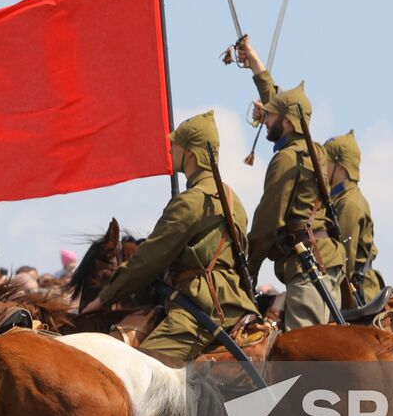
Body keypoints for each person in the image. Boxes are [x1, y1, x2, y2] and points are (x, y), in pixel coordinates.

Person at [79, 112, 259, 360]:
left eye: (176, 145)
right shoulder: (232, 199)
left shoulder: (191, 201)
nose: (170, 148)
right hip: (231, 300)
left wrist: (105, 297)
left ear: (191, 155)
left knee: (144, 372)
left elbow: (151, 256)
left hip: (201, 308)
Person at [231, 40, 345, 328]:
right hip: (321, 263)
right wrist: (256, 66)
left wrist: (248, 270)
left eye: (269, 116)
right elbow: (284, 104)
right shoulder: (314, 149)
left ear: (289, 122)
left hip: (308, 271)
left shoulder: (286, 160)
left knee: (301, 365)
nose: (263, 119)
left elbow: (267, 221)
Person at [323, 131, 382, 300]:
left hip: (357, 294)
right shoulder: (339, 198)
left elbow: (344, 261)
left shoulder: (350, 203)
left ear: (340, 167)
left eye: (325, 162)